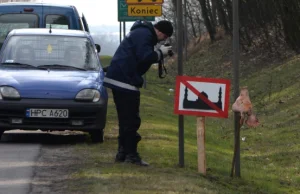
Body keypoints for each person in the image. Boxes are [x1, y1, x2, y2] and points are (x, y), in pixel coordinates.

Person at [103, 20, 173, 166]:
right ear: (160, 31)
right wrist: (160, 53)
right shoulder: (145, 35)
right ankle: (131, 155)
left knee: (124, 120)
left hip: (119, 79)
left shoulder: (139, 32)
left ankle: (122, 153)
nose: (163, 40)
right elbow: (145, 56)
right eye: (165, 37)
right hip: (126, 81)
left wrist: (158, 53)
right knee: (131, 120)